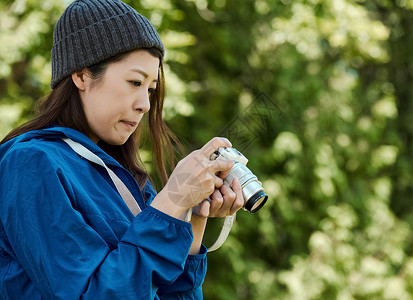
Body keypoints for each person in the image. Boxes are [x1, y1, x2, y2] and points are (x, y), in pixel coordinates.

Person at [0, 0, 244, 299]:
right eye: (134, 82)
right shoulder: (31, 164)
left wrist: (192, 214)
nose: (145, 104)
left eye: (151, 88)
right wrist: (171, 200)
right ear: (81, 76)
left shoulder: (130, 182)